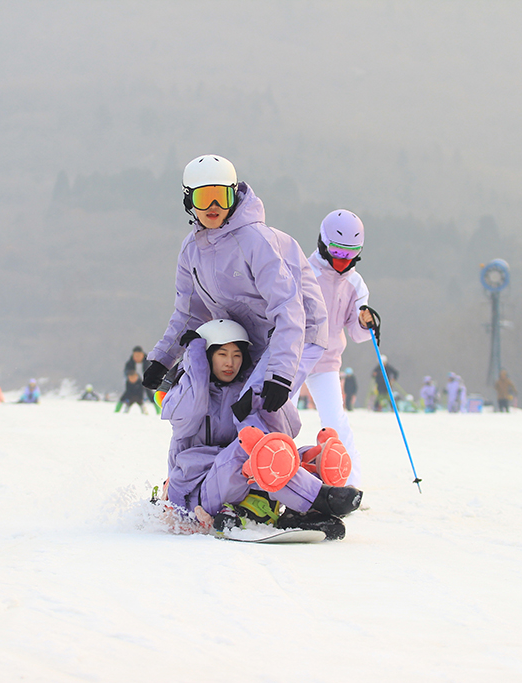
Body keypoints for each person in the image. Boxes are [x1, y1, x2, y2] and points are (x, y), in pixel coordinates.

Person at [142, 154, 329, 436]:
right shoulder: (191, 250)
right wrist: (164, 358)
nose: (214, 207)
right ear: (189, 201)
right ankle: (207, 472)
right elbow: (190, 312)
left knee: (254, 407)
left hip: (298, 330)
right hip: (247, 340)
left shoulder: (256, 241)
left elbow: (288, 308)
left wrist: (279, 374)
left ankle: (289, 475)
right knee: (221, 405)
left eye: (222, 197)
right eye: (205, 198)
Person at [160, 319, 360, 540]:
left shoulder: (243, 391)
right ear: (208, 356)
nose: (230, 363)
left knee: (286, 453)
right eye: (222, 354)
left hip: (244, 481)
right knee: (251, 451)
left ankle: (307, 497)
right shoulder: (185, 393)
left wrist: (267, 392)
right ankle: (317, 497)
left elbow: (287, 429)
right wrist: (194, 359)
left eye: (237, 355)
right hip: (197, 488)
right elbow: (191, 408)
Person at [302, 209, 377, 485]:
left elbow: (357, 333)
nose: (343, 261)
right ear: (323, 243)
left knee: (336, 422)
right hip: (294, 357)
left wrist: (364, 321)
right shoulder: (304, 272)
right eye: (337, 252)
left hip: (327, 362)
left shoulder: (355, 283)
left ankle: (349, 484)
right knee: (279, 415)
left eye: (350, 253)